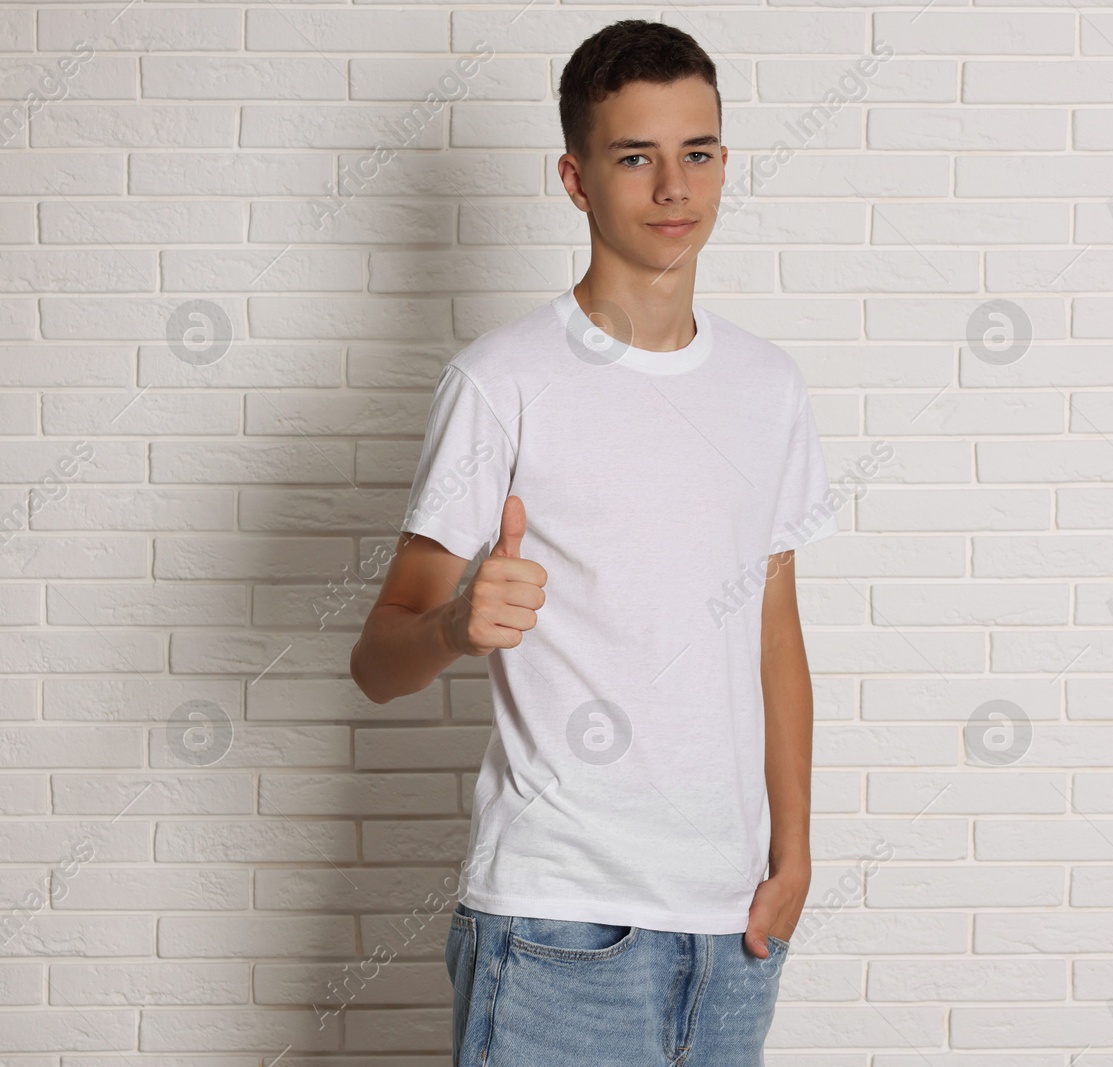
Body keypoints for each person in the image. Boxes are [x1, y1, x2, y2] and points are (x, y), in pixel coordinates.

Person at [348, 18, 839, 1067]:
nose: (673, 186)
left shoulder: (769, 387)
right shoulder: (503, 380)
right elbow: (376, 659)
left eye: (697, 152)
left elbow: (774, 633)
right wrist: (452, 624)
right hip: (555, 926)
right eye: (635, 156)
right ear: (575, 179)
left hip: (731, 930)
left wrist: (792, 856)